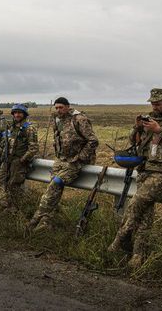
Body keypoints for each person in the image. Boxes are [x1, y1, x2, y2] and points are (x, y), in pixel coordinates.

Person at [107, 88, 162, 269]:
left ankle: (119, 239)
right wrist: (137, 127)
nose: (155, 107)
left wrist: (160, 130)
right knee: (145, 215)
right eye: (152, 103)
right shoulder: (149, 119)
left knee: (136, 202)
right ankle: (138, 256)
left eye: (158, 104)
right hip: (145, 170)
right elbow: (133, 141)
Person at [27, 97, 98, 232]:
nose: (58, 110)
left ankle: (35, 220)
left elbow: (93, 141)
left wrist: (80, 158)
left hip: (74, 162)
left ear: (67, 106)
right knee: (53, 190)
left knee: (55, 184)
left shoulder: (79, 119)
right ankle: (46, 222)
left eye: (61, 107)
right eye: (57, 108)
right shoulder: (57, 119)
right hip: (60, 160)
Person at [0, 104, 38, 210]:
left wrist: (22, 160)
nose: (17, 115)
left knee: (13, 186)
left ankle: (16, 209)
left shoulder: (29, 128)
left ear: (24, 114)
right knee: (1, 182)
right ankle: (6, 206)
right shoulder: (11, 127)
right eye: (15, 113)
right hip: (7, 159)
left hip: (18, 161)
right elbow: (6, 142)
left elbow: (33, 148)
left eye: (19, 113)